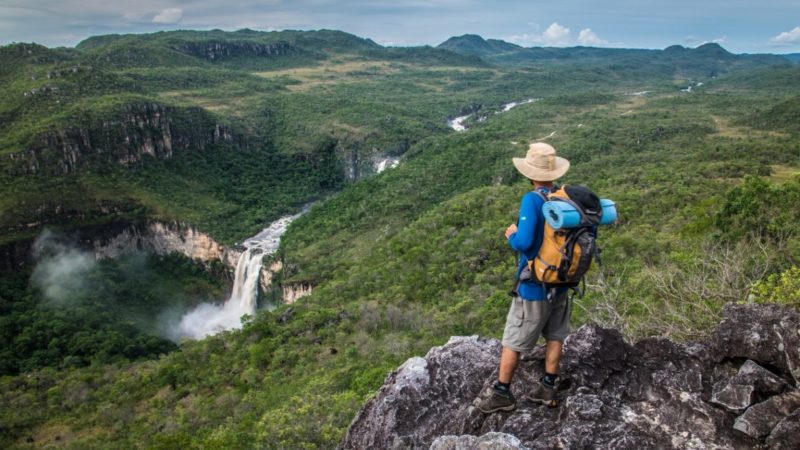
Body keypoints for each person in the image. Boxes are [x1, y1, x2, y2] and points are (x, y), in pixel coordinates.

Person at [473, 142, 573, 413]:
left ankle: (502, 393)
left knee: (513, 340)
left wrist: (512, 236)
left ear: (530, 173)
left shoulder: (533, 199)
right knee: (555, 335)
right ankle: (548, 387)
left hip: (534, 286)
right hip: (561, 282)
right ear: (553, 173)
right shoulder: (562, 198)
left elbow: (526, 243)